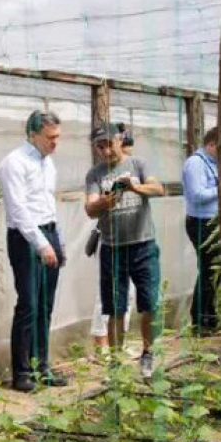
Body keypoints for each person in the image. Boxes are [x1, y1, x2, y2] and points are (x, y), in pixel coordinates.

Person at [85, 123, 165, 378]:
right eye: (100, 146)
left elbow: (159, 189)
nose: (105, 150)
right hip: (113, 248)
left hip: (143, 244)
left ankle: (148, 354)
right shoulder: (95, 175)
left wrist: (134, 187)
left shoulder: (138, 165)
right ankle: (116, 362)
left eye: (109, 143)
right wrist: (104, 202)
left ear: (120, 140)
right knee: (115, 307)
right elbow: (89, 208)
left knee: (149, 302)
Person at [0, 110, 68, 392]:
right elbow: (19, 210)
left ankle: (42, 366)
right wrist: (41, 243)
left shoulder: (47, 164)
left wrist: (57, 241)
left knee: (45, 305)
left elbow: (48, 204)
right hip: (26, 237)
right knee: (29, 303)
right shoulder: (14, 163)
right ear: (33, 135)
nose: (55, 143)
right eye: (50, 138)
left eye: (58, 137)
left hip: (48, 232)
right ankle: (22, 371)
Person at [90, 129, 136, 358]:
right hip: (111, 239)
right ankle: (101, 344)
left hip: (132, 239)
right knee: (107, 293)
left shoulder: (132, 171)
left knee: (128, 293)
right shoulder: (101, 175)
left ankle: (119, 342)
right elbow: (98, 206)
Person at [182, 127, 220, 334]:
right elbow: (197, 194)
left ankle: (210, 316)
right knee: (207, 270)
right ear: (211, 144)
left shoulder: (214, 164)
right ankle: (199, 320)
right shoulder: (195, 164)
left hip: (212, 222)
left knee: (214, 271)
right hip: (200, 223)